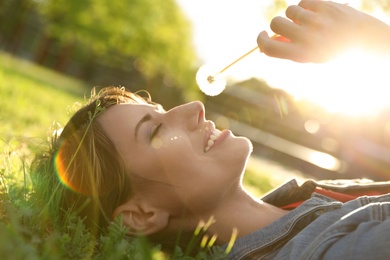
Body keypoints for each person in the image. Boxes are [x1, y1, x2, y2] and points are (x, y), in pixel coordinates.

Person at [31, 1, 390, 259]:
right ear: (141, 215)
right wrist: (375, 42)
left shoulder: (300, 199)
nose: (193, 108)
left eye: (161, 109)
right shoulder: (331, 251)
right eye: (154, 131)